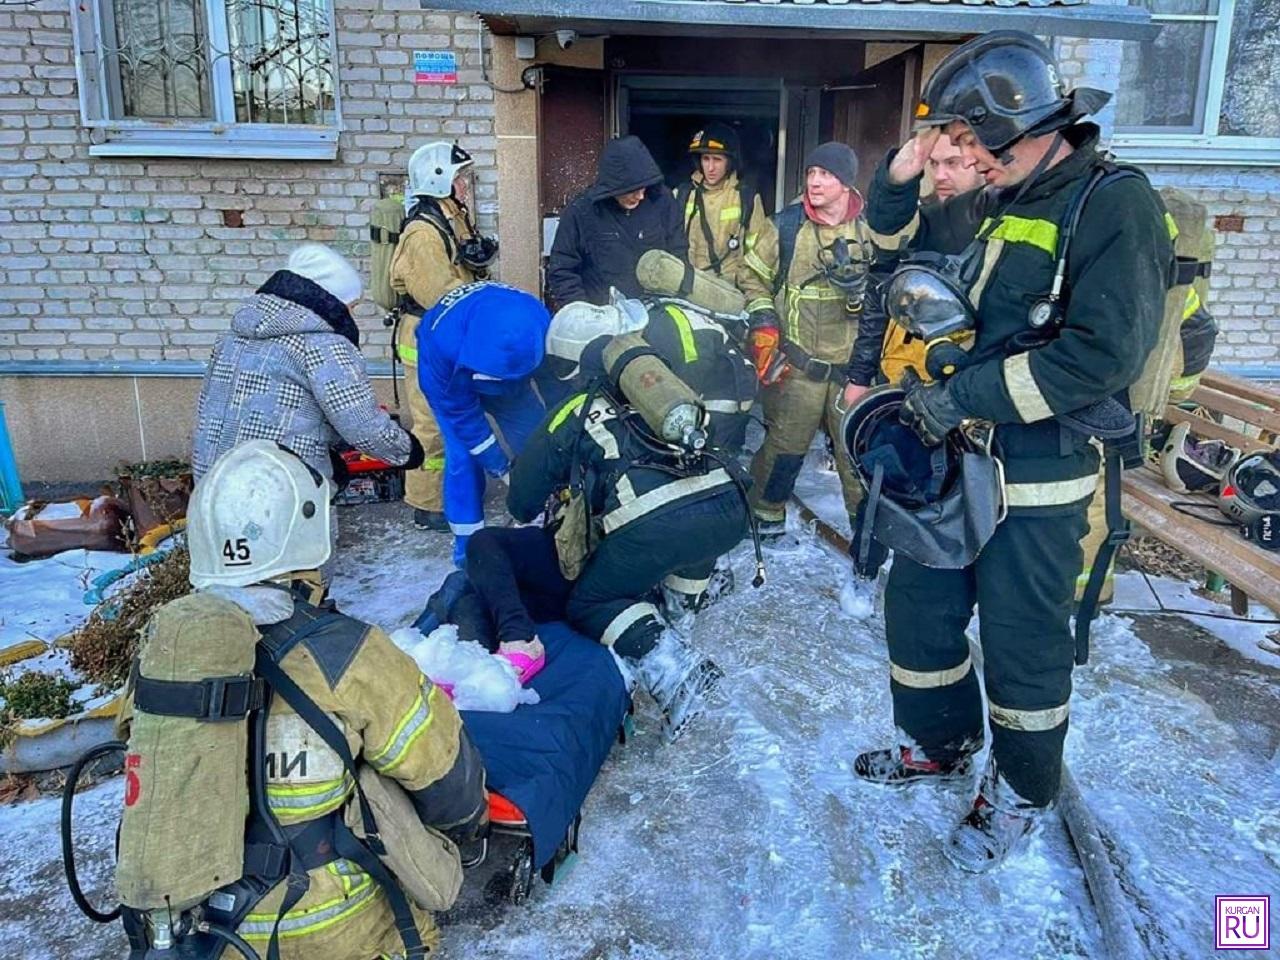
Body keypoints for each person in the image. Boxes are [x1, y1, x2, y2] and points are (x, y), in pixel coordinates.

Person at [855, 31, 1174, 871]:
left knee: (1025, 641)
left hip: (1040, 477)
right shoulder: (1002, 196)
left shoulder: (1112, 204)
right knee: (918, 615)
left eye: (967, 143)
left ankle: (1022, 792)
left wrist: (958, 397)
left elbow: (1102, 357)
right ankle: (941, 744)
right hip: (955, 463)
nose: (959, 161)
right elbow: (888, 247)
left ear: (1017, 127)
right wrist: (897, 178)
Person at [139, 440, 487, 958]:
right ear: (308, 532)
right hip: (335, 928)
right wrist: (465, 828)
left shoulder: (164, 653)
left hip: (206, 935)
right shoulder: (347, 651)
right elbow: (446, 778)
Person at [503, 334, 752, 740]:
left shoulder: (576, 407)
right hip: (730, 503)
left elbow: (525, 491)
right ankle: (677, 628)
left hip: (657, 520)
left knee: (591, 601)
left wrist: (522, 509)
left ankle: (678, 672)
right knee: (690, 546)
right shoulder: (666, 392)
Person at [739, 141, 880, 538]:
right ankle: (764, 519)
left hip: (855, 374)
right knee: (784, 449)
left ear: (847, 184)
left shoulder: (871, 229)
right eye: (811, 173)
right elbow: (752, 278)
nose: (815, 182)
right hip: (798, 368)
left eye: (826, 175)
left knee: (858, 456)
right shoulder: (785, 226)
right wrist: (764, 322)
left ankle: (867, 537)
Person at [193, 243, 423, 485]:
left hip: (213, 478)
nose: (352, 315)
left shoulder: (231, 338)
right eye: (351, 306)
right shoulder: (321, 345)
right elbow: (359, 422)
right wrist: (407, 450)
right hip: (279, 487)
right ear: (330, 300)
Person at [390, 141, 496, 531]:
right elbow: (441, 293)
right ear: (439, 181)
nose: (465, 184)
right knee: (432, 423)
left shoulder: (451, 216)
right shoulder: (422, 232)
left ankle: (457, 491)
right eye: (459, 178)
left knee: (457, 415)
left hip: (447, 338)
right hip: (424, 340)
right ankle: (428, 503)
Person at [416, 281, 549, 566]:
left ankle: (546, 516)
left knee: (537, 438)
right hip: (454, 377)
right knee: (463, 457)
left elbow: (552, 380)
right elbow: (465, 420)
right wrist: (501, 468)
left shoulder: (539, 321)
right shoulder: (442, 347)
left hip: (513, 383)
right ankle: (468, 548)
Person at [546, 136, 688, 308]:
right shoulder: (581, 212)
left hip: (656, 313)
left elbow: (678, 255)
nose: (641, 196)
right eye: (633, 190)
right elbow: (562, 270)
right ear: (613, 186)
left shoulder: (662, 201)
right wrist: (583, 314)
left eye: (644, 187)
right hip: (603, 318)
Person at [677, 122, 769, 284]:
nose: (710, 167)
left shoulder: (746, 198)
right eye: (706, 159)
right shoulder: (682, 195)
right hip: (686, 286)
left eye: (717, 159)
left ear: (730, 162)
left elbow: (758, 256)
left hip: (729, 290)